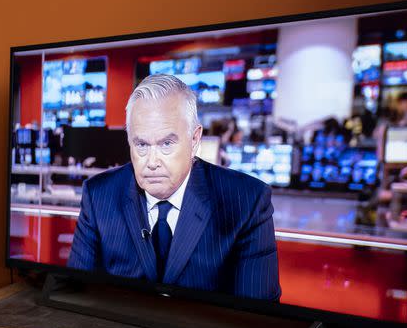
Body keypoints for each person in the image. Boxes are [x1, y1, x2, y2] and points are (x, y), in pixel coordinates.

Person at [68, 74, 281, 301]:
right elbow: (75, 296)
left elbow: (257, 318)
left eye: (166, 144)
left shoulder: (246, 202)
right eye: (141, 144)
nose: (152, 161)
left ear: (194, 139)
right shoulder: (99, 195)